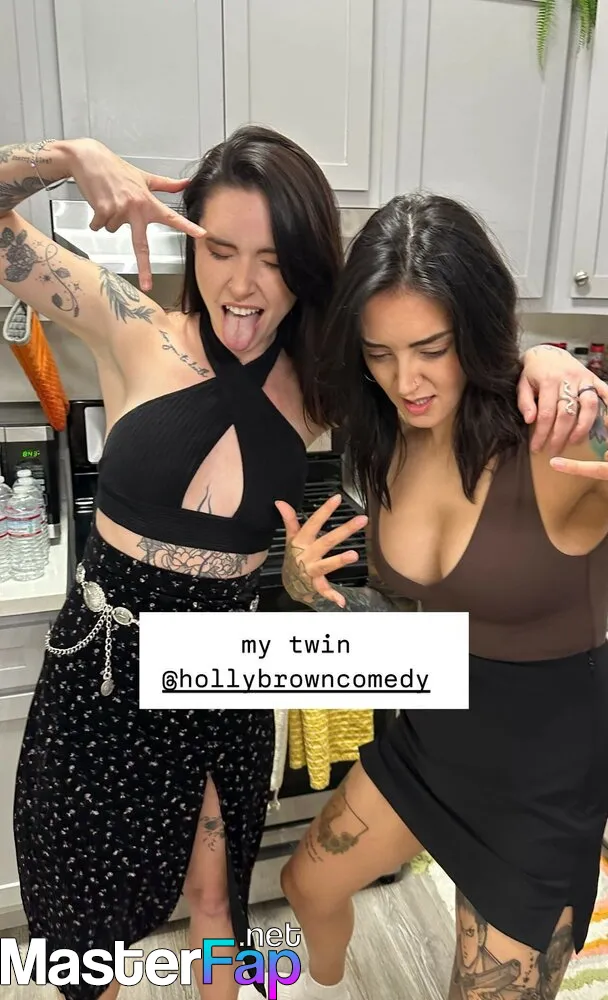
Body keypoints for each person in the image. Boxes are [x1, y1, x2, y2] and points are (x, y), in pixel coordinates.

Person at [0, 133, 600, 1000]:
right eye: (220, 249)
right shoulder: (130, 325)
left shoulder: (326, 384)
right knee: (84, 933)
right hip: (103, 673)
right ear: (188, 241)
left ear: (306, 270)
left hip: (223, 677)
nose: (243, 284)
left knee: (218, 903)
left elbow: (445, 353)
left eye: (274, 261)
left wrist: (543, 358)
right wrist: (66, 157)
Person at [273, 192, 608, 1000]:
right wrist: (302, 585)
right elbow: (420, 612)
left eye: (431, 349)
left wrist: (552, 359)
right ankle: (325, 984)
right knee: (305, 886)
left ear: (479, 331)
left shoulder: (556, 441)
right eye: (379, 353)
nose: (406, 381)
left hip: (540, 785)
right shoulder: (384, 438)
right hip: (432, 738)